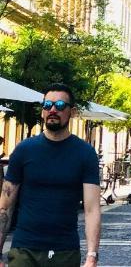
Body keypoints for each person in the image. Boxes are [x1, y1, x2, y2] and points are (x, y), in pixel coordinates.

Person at [0, 83, 101, 267]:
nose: (53, 109)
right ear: (42, 111)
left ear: (73, 112)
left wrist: (92, 255)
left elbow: (92, 209)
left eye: (60, 106)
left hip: (65, 252)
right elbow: (5, 207)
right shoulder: (24, 150)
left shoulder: (85, 154)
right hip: (24, 251)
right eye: (47, 105)